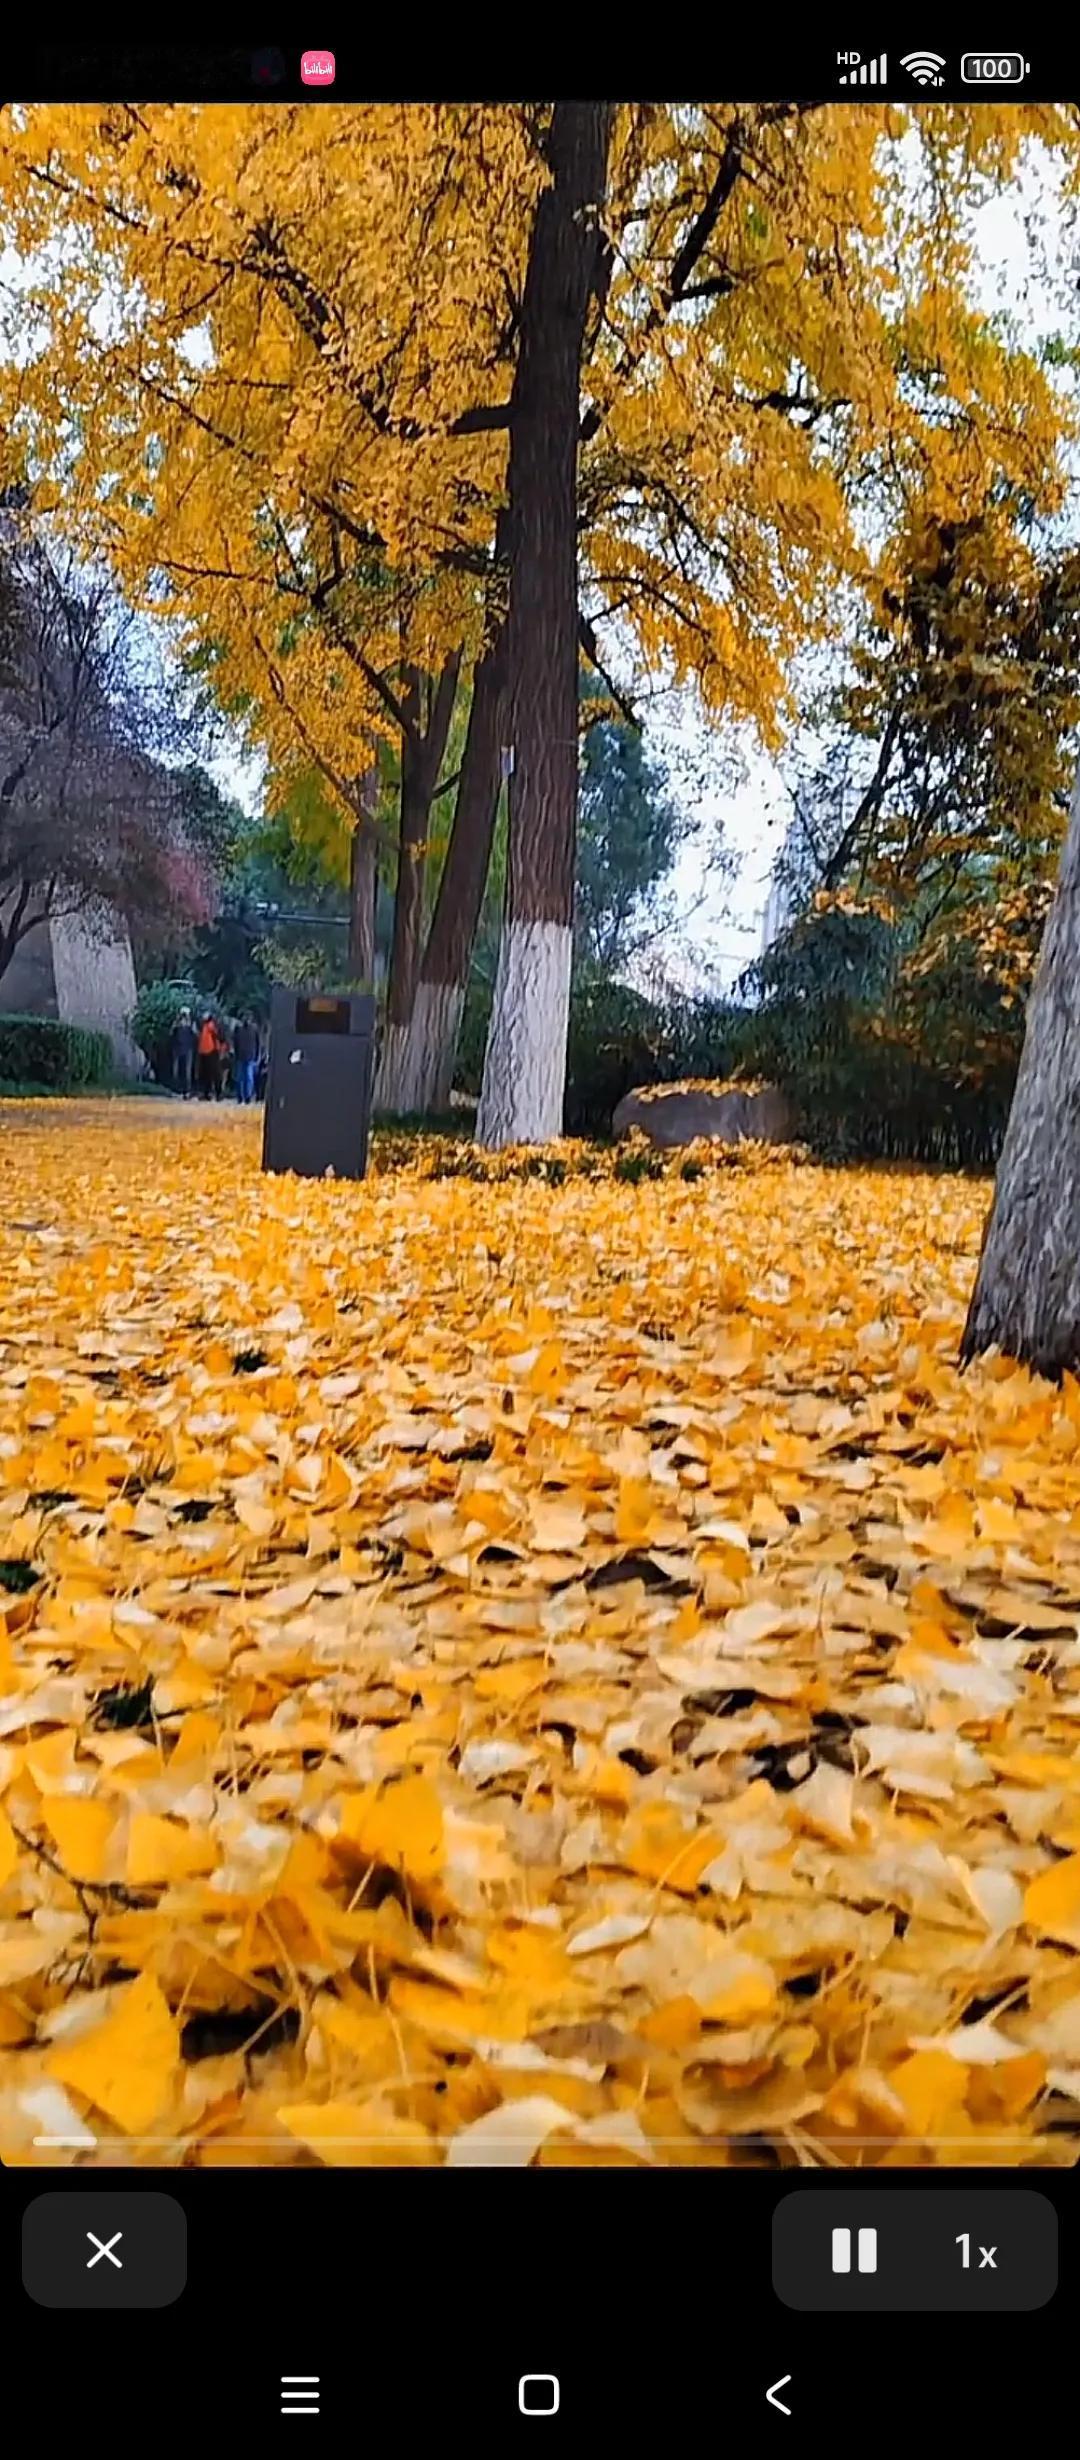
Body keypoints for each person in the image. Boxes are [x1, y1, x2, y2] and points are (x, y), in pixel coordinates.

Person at [196, 1011, 224, 1100]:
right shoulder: (204, 1026)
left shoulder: (212, 1026)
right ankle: (206, 1093)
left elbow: (220, 1037)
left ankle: (218, 1093)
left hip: (212, 1052)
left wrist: (221, 1050)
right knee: (205, 1074)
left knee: (215, 1074)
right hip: (204, 1052)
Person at [170, 1006, 196, 1099]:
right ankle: (176, 1090)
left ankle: (187, 1091)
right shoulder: (177, 1024)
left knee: (187, 1072)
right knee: (176, 1071)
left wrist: (189, 1024)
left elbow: (195, 1035)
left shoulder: (192, 1024)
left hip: (188, 1050)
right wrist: (177, 1023)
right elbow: (171, 1033)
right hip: (177, 1049)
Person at [233, 1014, 259, 1104]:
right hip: (244, 1056)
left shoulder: (253, 1029)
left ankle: (246, 1097)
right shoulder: (241, 1029)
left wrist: (256, 1055)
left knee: (246, 1078)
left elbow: (258, 1043)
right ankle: (242, 1097)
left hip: (248, 1056)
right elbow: (235, 1043)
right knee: (243, 1078)